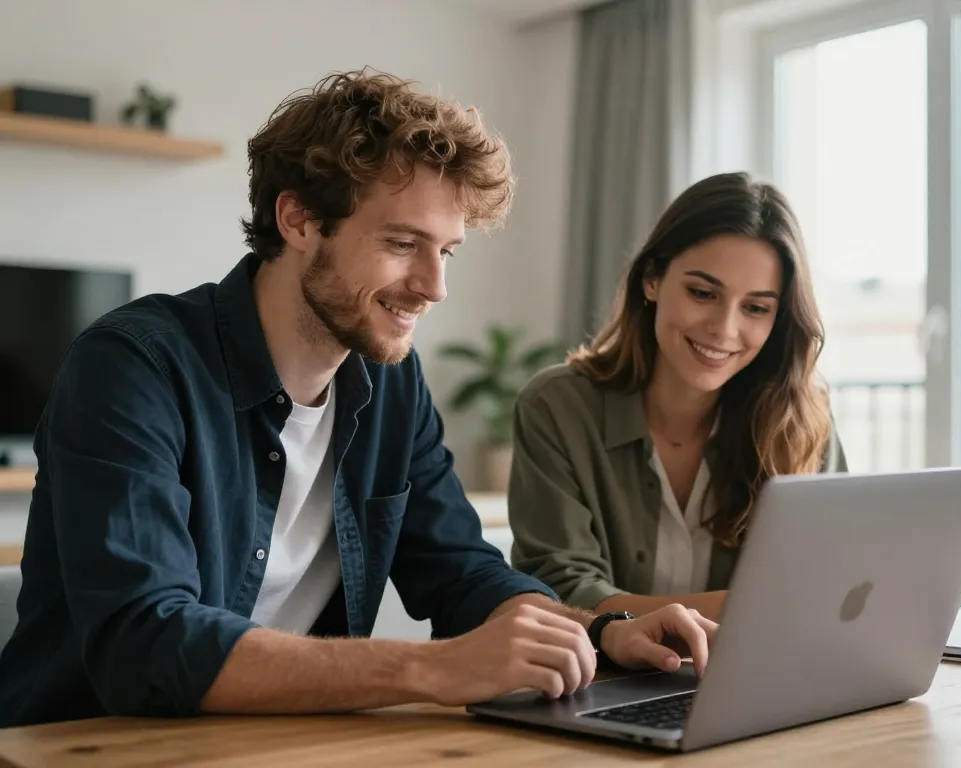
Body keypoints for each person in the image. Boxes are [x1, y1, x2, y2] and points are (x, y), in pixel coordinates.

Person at [0, 69, 717, 728]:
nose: (434, 286)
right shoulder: (134, 366)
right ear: (298, 220)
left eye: (447, 251)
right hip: (89, 745)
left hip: (278, 744)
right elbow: (146, 642)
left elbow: (462, 572)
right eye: (403, 244)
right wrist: (430, 669)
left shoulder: (391, 381)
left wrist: (597, 633)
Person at [507, 171, 848, 621]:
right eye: (703, 293)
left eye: (756, 308)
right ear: (652, 279)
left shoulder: (802, 422)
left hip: (762, 666)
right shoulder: (557, 408)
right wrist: (739, 609)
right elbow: (561, 591)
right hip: (597, 665)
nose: (724, 329)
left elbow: (832, 582)